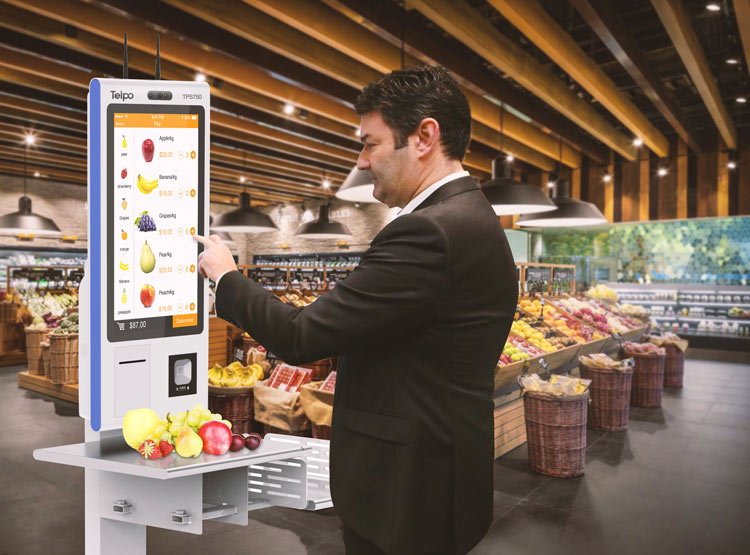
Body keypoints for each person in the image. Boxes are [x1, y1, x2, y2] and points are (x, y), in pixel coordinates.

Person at [195, 65, 517, 555]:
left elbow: (302, 336)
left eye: (370, 143)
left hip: (408, 492)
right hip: (444, 473)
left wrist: (228, 277)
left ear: (424, 136)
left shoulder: (428, 232)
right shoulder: (472, 217)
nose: (362, 161)